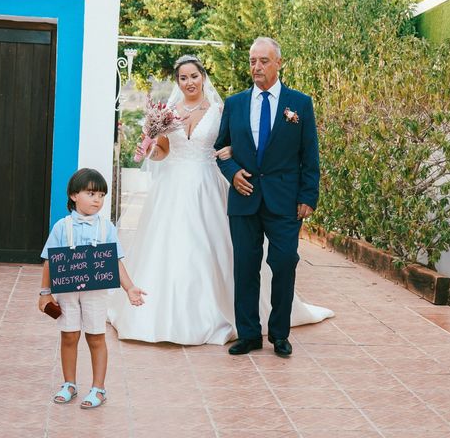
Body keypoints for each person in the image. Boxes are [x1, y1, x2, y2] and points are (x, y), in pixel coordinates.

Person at [107, 55, 332, 346]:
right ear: (178, 82)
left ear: (203, 77)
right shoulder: (167, 112)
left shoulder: (221, 109)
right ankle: (165, 316)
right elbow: (163, 151)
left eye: (194, 76)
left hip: (207, 188)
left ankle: (227, 317)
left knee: (214, 250)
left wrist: (231, 161)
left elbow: (235, 143)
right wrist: (150, 148)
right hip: (172, 190)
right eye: (183, 78)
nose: (189, 82)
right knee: (170, 247)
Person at [214, 37, 321, 357]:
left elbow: (310, 155)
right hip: (244, 200)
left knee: (285, 262)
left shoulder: (299, 104)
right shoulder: (234, 104)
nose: (256, 67)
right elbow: (220, 150)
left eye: (263, 61)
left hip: (285, 200)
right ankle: (248, 334)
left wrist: (308, 196)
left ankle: (279, 333)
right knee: (245, 267)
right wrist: (232, 172)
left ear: (278, 63)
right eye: (252, 61)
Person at [38, 168, 146, 408]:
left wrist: (129, 288)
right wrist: (44, 293)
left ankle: (99, 388)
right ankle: (69, 384)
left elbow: (115, 261)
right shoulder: (61, 227)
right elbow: (49, 261)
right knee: (69, 335)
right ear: (74, 195)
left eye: (101, 195)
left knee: (96, 337)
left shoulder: (106, 228)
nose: (97, 200)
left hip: (95, 293)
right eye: (91, 193)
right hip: (66, 293)